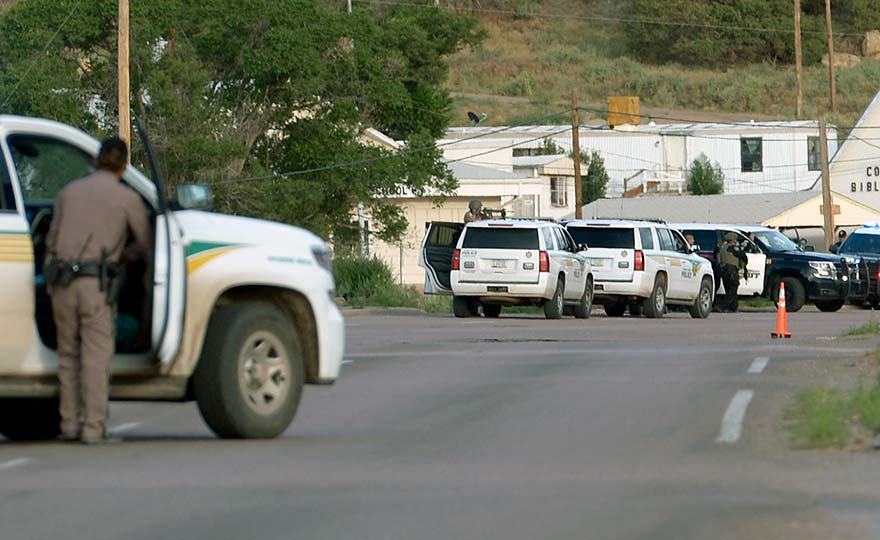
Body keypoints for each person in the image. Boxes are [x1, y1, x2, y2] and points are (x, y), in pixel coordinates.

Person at [46, 137, 151, 445]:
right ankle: (93, 428)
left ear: (96, 160)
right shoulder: (127, 198)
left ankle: (69, 425)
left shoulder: (68, 192)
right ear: (123, 166)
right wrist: (126, 256)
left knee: (67, 354)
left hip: (62, 284)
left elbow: (52, 242)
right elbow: (144, 243)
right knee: (95, 356)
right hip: (97, 285)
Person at [714, 232, 748, 313]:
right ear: (733, 240)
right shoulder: (733, 248)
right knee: (733, 288)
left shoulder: (721, 248)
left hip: (722, 270)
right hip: (731, 270)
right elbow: (743, 256)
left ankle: (733, 307)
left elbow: (716, 256)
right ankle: (723, 306)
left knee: (729, 288)